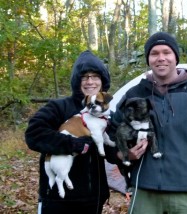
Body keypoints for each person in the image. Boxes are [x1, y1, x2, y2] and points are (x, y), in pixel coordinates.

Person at [110, 32, 187, 214]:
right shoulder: (134, 94)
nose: (161, 58)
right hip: (144, 191)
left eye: (167, 52)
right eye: (154, 53)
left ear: (176, 57)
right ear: (149, 59)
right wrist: (122, 154)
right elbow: (110, 133)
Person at [25, 50, 119, 214]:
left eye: (95, 76)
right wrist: (73, 144)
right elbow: (34, 133)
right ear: (77, 81)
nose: (90, 81)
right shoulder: (59, 107)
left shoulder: (107, 115)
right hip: (57, 200)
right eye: (85, 77)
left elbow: (111, 153)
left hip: (93, 200)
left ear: (103, 81)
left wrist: (126, 152)